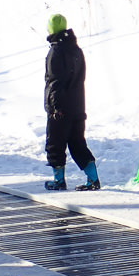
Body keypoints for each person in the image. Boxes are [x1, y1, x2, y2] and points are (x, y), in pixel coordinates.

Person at [43, 13, 100, 192]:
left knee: (55, 144)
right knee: (77, 143)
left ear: (51, 29)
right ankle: (93, 179)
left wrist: (55, 106)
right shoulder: (77, 50)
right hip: (77, 105)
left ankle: (58, 180)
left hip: (60, 108)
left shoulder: (56, 52)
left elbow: (55, 81)